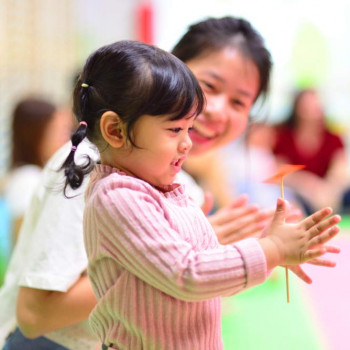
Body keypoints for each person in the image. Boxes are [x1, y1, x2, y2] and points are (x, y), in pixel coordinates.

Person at [0, 17, 333, 349]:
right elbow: (34, 314)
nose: (215, 110)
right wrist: (255, 251)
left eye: (238, 102)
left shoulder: (171, 178)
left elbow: (188, 284)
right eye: (210, 86)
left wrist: (237, 254)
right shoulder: (93, 165)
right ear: (172, 69)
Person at [1, 97, 72, 241]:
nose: (67, 140)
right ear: (37, 134)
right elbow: (22, 241)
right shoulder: (27, 180)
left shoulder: (33, 175)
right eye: (59, 131)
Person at [273, 88, 350, 214]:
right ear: (297, 107)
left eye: (315, 105)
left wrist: (328, 189)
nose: (311, 110)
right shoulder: (283, 137)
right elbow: (280, 172)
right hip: (298, 193)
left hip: (329, 193)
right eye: (306, 105)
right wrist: (308, 185)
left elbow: (340, 170)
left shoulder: (333, 138)